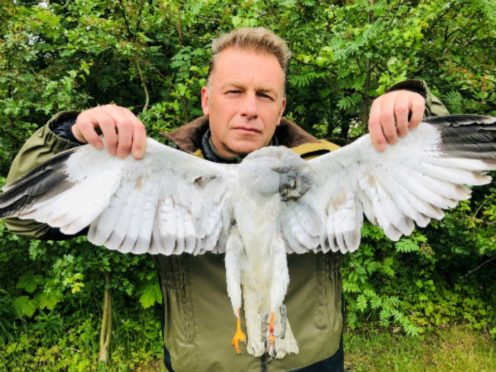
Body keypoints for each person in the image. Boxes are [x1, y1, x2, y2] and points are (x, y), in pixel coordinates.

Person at [4, 28, 448, 371]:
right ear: (207, 98)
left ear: (281, 106)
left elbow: (432, 159)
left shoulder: (326, 166)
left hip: (312, 362)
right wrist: (70, 136)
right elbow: (23, 218)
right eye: (234, 91)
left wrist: (414, 107)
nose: (249, 109)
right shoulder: (153, 166)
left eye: (265, 95)